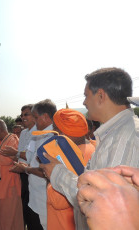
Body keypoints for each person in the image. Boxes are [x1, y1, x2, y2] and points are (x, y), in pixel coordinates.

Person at [40, 67, 139, 230]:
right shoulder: (113, 134)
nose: (84, 102)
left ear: (100, 96)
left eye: (86, 96)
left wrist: (57, 173)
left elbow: (101, 204)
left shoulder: (123, 139)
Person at [10, 99, 57, 230]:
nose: (34, 121)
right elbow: (31, 156)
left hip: (44, 197)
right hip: (35, 195)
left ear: (46, 117)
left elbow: (47, 171)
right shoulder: (39, 135)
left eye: (35, 117)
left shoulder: (52, 136)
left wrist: (26, 169)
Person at [46, 109, 95, 230]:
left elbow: (58, 201)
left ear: (64, 131)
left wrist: (51, 175)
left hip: (64, 223)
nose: (53, 133)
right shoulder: (93, 148)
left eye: (55, 128)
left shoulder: (71, 156)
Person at [1, 104, 38, 230]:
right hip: (21, 174)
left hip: (34, 174)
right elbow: (21, 155)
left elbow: (32, 156)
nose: (23, 117)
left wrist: (15, 153)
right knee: (23, 211)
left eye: (26, 114)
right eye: (21, 115)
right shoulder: (23, 133)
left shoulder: (39, 132)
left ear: (35, 115)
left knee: (34, 215)